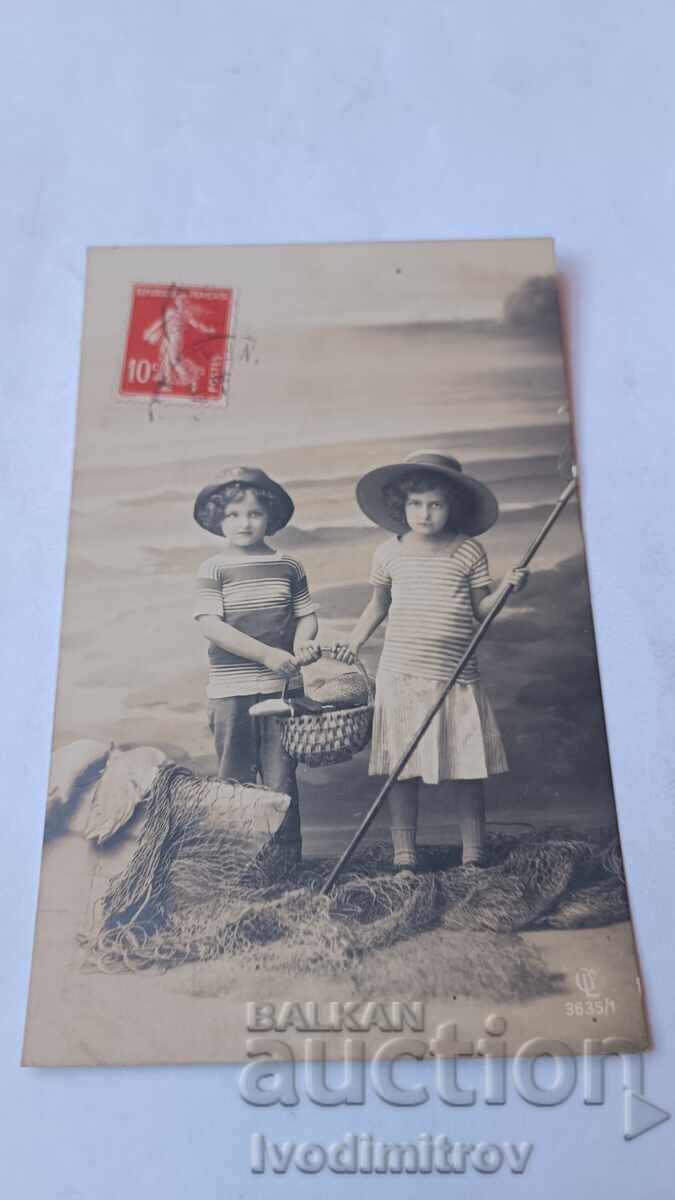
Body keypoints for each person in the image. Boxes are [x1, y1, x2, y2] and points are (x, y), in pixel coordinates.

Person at [333, 450, 528, 872]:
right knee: (401, 768)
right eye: (415, 504)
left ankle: (473, 851)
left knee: (466, 766)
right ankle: (405, 852)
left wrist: (508, 588)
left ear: (452, 506)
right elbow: (377, 606)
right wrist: (352, 641)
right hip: (401, 673)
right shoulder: (389, 553)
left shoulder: (469, 552)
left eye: (435, 504)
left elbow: (482, 610)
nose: (424, 514)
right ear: (401, 506)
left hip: (455, 675)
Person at [192, 466, 320, 860]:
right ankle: (235, 861)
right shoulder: (214, 568)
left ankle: (284, 864)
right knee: (234, 778)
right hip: (232, 693)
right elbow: (211, 625)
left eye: (253, 514)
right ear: (218, 519)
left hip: (281, 691)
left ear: (270, 516)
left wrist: (303, 646)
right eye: (232, 514)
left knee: (281, 781)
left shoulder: (288, 565)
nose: (243, 523)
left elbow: (306, 616)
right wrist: (266, 654)